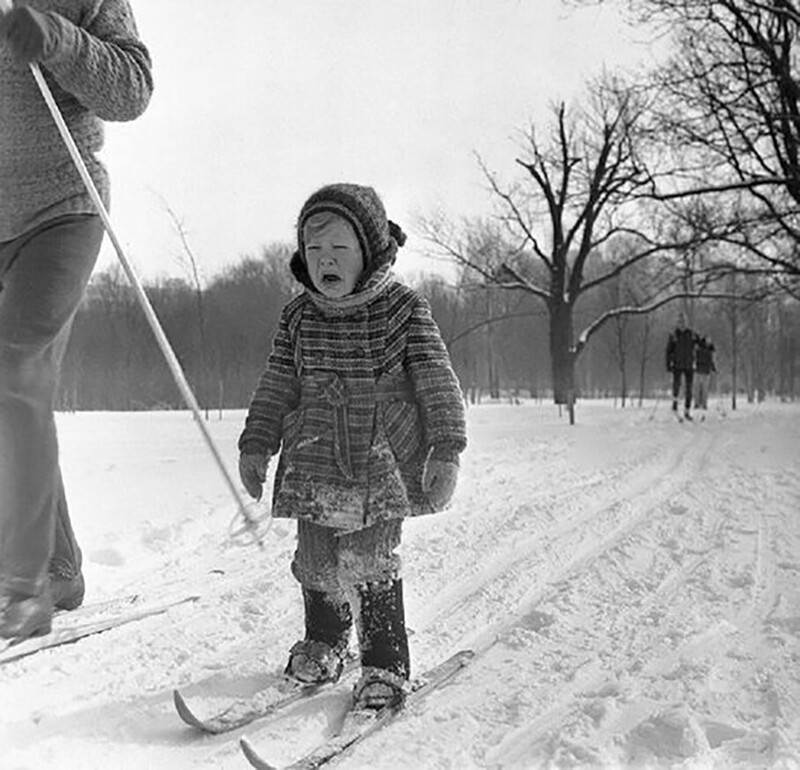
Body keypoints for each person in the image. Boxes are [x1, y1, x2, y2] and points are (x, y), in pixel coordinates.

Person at [238, 183, 467, 711]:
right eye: (315, 252)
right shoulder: (298, 317)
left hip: (378, 457)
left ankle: (386, 663)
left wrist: (446, 447)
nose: (326, 262)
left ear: (368, 251)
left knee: (367, 557)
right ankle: (325, 642)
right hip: (314, 452)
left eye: (339, 250)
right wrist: (257, 443)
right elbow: (277, 383)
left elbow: (436, 378)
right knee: (316, 559)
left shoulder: (403, 309)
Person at [0, 1, 153, 640]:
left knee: (13, 367)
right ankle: (57, 565)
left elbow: (132, 89)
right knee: (12, 391)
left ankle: (24, 587)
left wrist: (58, 37)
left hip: (62, 209)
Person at [665, 313, 698, 420]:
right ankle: (674, 406)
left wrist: (708, 345)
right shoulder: (674, 335)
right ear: (677, 323)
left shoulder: (691, 334)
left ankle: (687, 410)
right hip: (677, 364)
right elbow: (668, 351)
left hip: (689, 364)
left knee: (689, 389)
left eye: (684, 322)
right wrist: (668, 363)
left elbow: (700, 345)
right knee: (676, 386)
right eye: (680, 322)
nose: (682, 324)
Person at [694, 335, 716, 411]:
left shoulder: (711, 349)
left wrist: (713, 367)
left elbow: (711, 360)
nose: (709, 342)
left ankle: (704, 404)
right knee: (697, 388)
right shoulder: (700, 347)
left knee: (705, 389)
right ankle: (697, 403)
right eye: (708, 340)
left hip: (706, 372)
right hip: (698, 370)